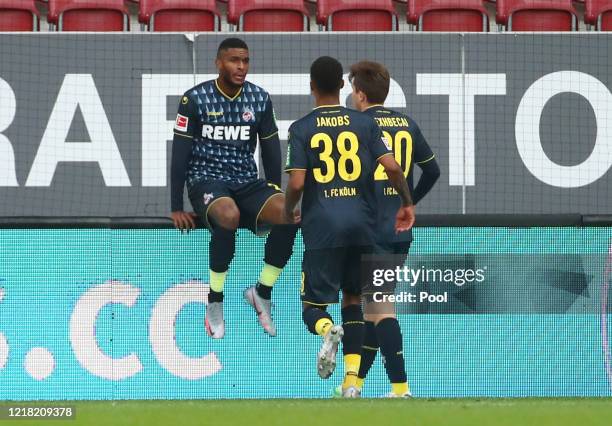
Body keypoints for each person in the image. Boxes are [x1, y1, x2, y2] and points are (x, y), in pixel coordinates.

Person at [283, 56, 415, 398]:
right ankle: (351, 382)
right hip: (362, 226)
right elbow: (393, 167)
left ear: (311, 86)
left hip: (322, 226)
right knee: (354, 299)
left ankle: (327, 330)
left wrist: (288, 209)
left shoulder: (300, 128)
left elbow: (296, 182)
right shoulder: (364, 124)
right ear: (343, 86)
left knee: (313, 307)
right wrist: (406, 202)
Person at [170, 37, 297, 339]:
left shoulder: (259, 98)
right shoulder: (194, 99)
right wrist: (176, 205)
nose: (241, 67)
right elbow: (179, 155)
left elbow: (270, 150)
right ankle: (214, 300)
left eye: (245, 60)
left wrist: (274, 192)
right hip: (206, 179)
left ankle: (261, 291)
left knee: (290, 213)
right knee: (229, 215)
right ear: (218, 63)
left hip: (247, 181)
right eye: (234, 60)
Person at [332, 60, 440, 398]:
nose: (350, 96)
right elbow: (433, 170)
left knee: (380, 309)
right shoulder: (406, 124)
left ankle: (400, 388)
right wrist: (409, 204)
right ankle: (354, 385)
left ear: (361, 94)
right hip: (399, 233)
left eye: (352, 90)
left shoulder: (358, 126)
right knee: (375, 307)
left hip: (369, 229)